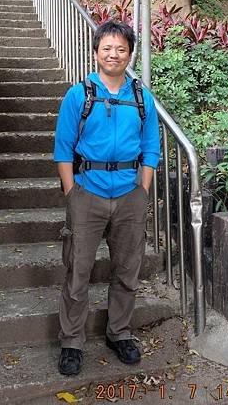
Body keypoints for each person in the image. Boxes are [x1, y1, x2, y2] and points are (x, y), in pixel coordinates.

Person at [54, 20, 160, 376]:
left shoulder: (142, 97)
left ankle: (119, 333)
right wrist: (72, 194)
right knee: (77, 272)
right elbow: (63, 148)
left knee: (127, 271)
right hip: (87, 195)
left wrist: (142, 190)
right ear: (96, 51)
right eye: (107, 48)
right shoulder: (78, 94)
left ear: (130, 53)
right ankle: (71, 341)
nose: (114, 54)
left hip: (130, 195)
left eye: (121, 49)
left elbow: (151, 148)